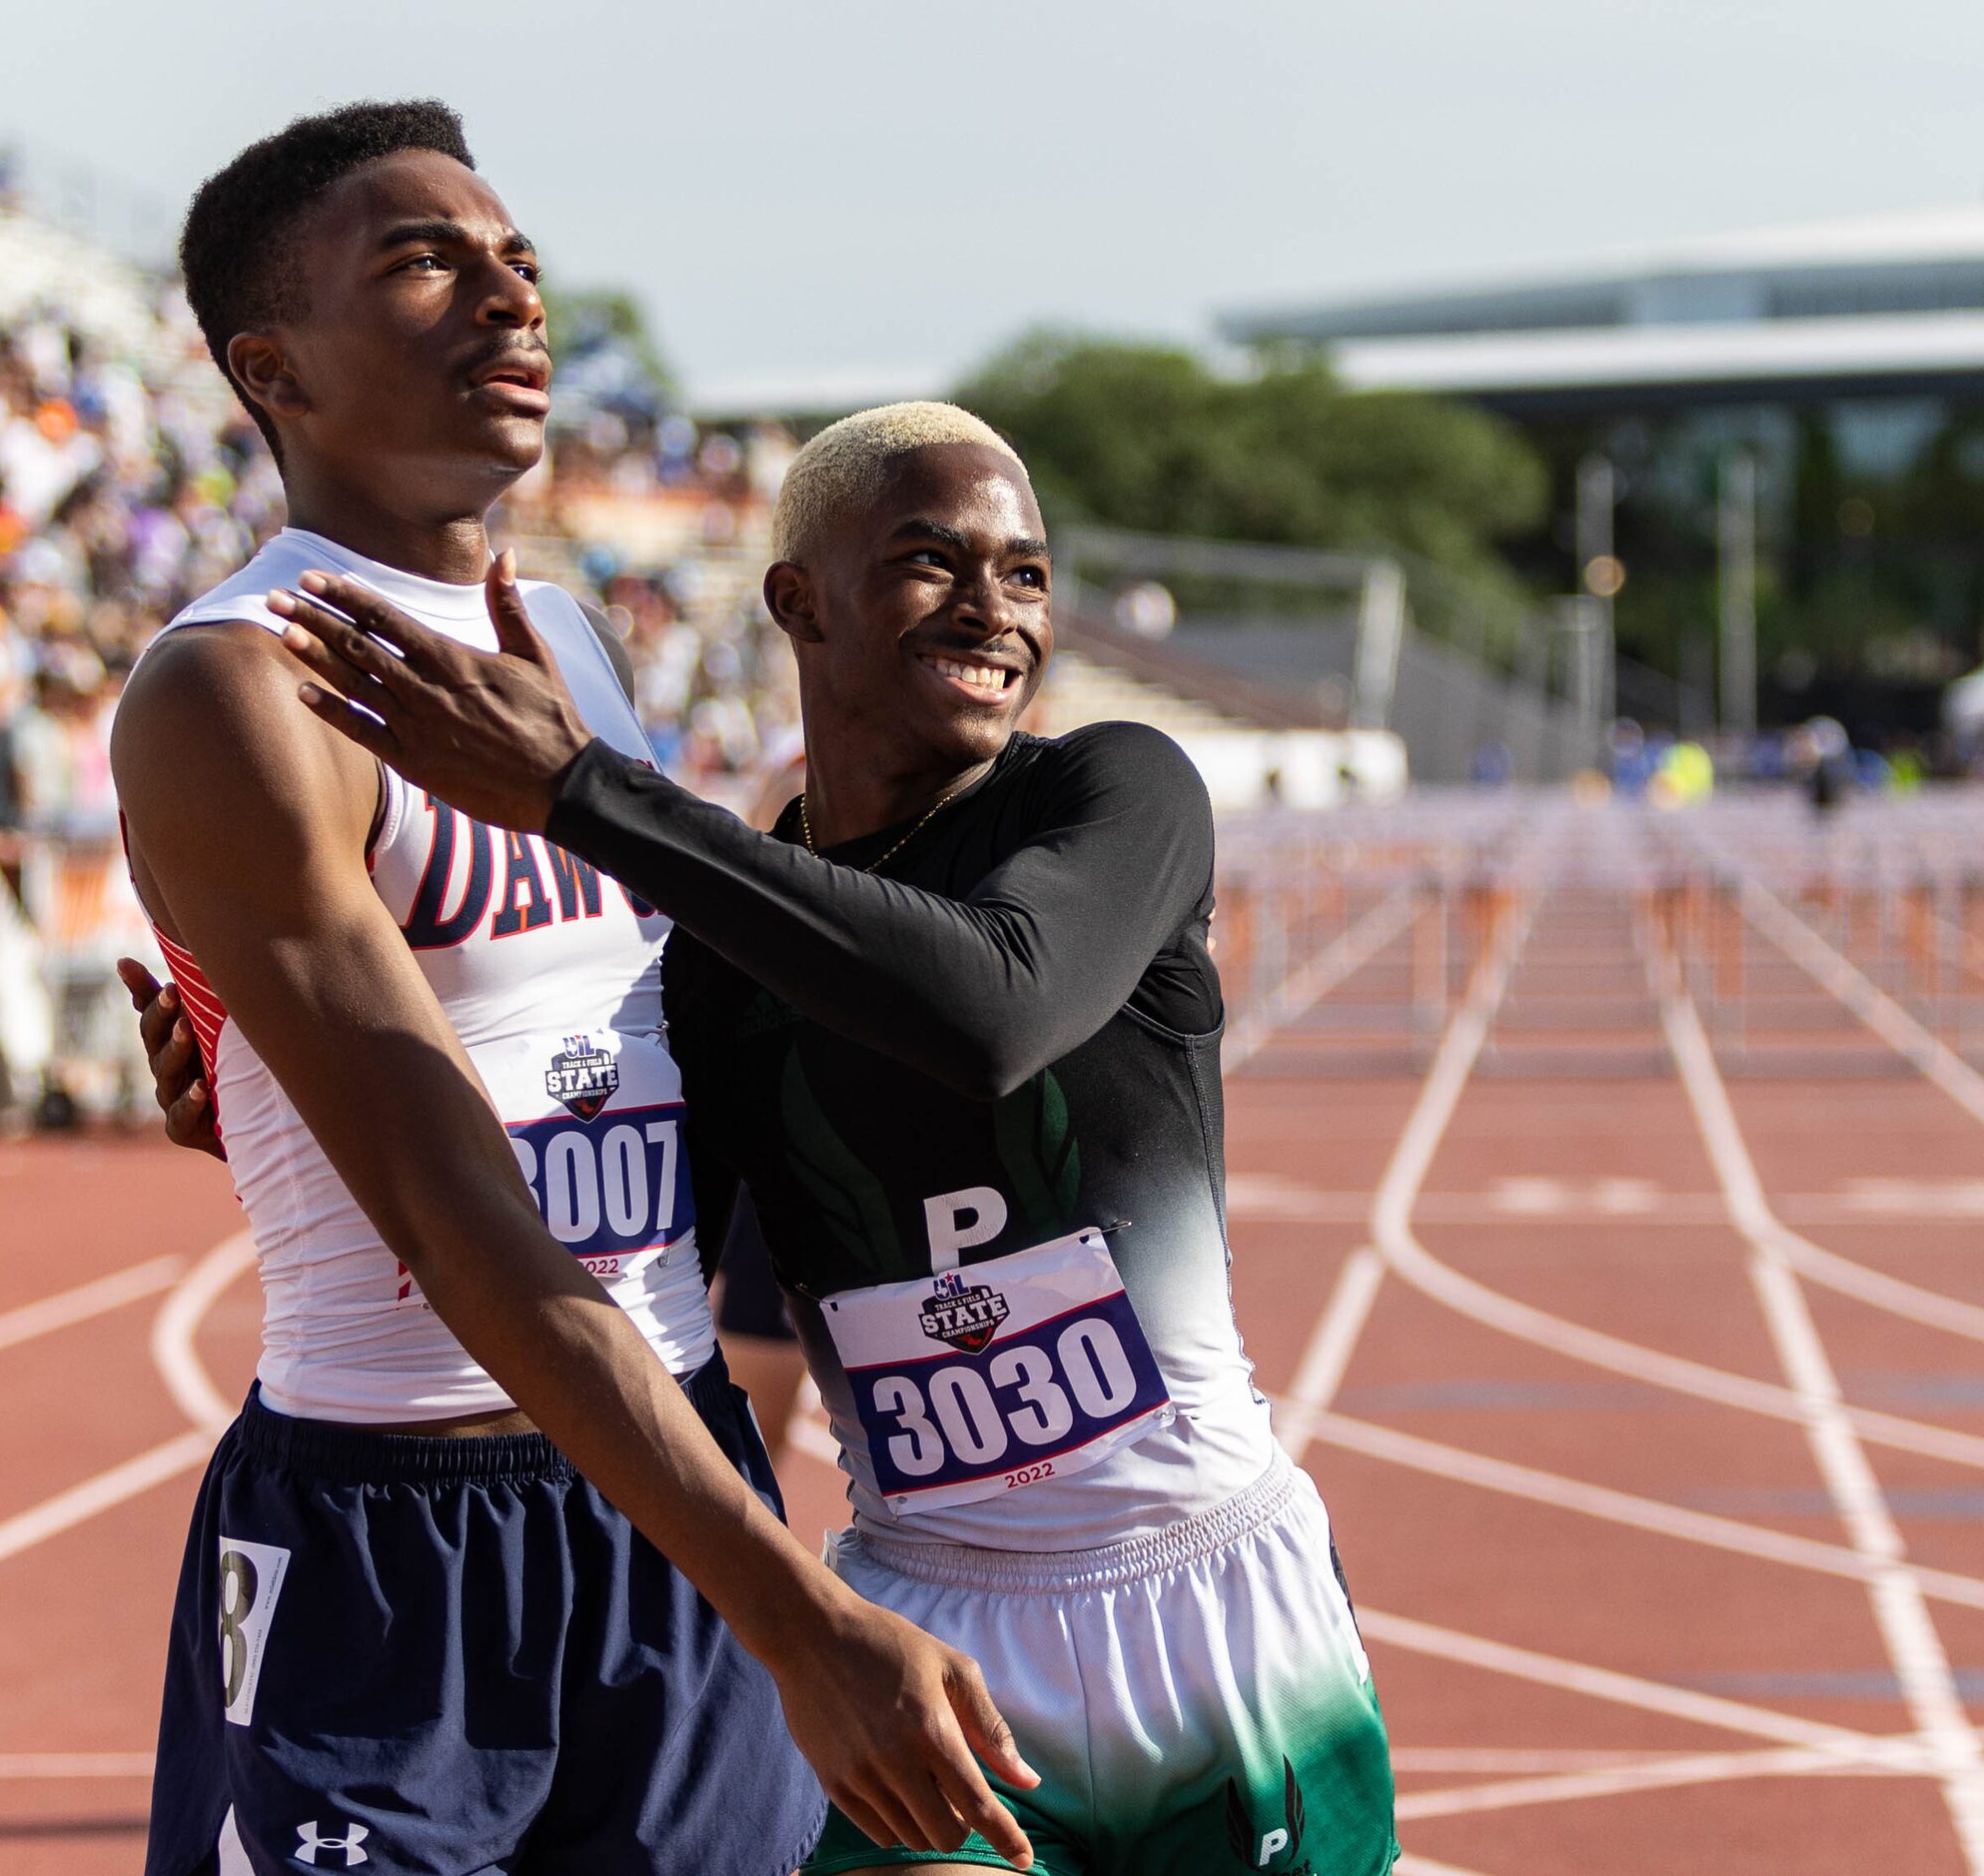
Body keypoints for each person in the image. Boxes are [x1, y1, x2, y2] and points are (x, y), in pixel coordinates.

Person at [253, 402, 1398, 1876]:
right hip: (930, 1630)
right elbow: (602, 1227)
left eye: (1029, 573)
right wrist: (266, 1108)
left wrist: (584, 795)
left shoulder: (1114, 795)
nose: (995, 609)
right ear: (797, 598)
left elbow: (991, 1008)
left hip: (1211, 1613)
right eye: (934, 561)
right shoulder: (721, 957)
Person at [112, 106, 1034, 1876]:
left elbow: (623, 1054)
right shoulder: (236, 688)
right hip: (387, 1537)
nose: (509, 300)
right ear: (270, 366)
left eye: (519, 262)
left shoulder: (577, 651)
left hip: (667, 1479)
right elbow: (456, 1205)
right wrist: (796, 1608)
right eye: (424, 262)